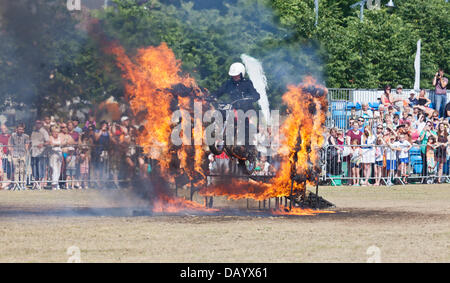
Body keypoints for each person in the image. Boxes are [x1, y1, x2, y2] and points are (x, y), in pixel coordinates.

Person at [8, 124, 30, 190]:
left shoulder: (26, 136)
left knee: (22, 170)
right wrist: (11, 154)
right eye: (19, 129)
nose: (20, 130)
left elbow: (27, 145)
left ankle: (23, 184)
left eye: (22, 129)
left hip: (23, 154)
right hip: (15, 154)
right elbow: (10, 144)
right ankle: (16, 184)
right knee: (16, 170)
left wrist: (26, 155)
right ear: (17, 129)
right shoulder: (13, 135)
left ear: (23, 130)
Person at [30, 120, 49, 190]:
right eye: (36, 123)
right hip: (33, 153)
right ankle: (36, 183)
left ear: (41, 124)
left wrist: (42, 144)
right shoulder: (33, 132)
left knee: (41, 169)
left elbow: (48, 142)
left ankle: (41, 184)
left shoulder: (44, 132)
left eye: (39, 123)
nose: (37, 124)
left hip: (41, 153)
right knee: (34, 169)